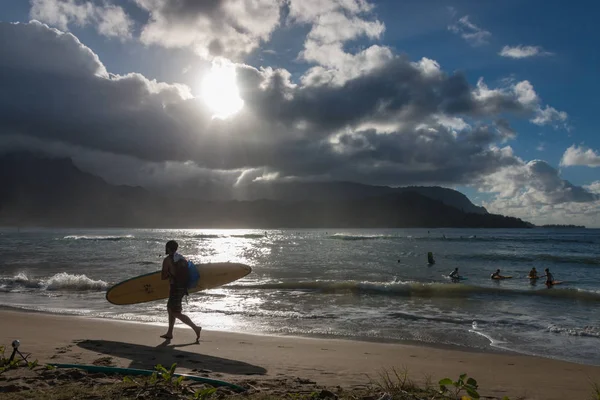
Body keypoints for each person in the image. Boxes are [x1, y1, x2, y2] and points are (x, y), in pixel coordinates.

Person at [160, 240, 201, 342]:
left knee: (175, 312)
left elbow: (163, 276)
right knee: (170, 309)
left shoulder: (168, 260)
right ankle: (169, 333)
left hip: (175, 288)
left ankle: (195, 328)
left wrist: (169, 274)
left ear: (168, 248)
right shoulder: (182, 258)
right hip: (183, 288)